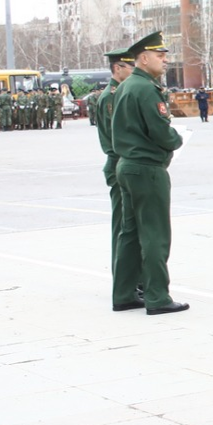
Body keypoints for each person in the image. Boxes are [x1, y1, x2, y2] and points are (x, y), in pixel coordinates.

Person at [110, 32, 189, 316]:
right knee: (155, 232)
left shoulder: (127, 85)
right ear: (143, 58)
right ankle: (157, 296)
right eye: (160, 56)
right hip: (146, 168)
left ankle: (123, 294)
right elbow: (160, 131)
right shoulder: (145, 88)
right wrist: (177, 139)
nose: (165, 61)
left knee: (129, 232)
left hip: (128, 165)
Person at [96, 48, 139, 302]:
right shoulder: (111, 97)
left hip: (124, 162)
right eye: (130, 66)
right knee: (123, 226)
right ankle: (124, 281)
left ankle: (133, 279)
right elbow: (116, 138)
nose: (134, 71)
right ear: (118, 68)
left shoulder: (121, 92)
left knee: (130, 225)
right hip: (119, 163)